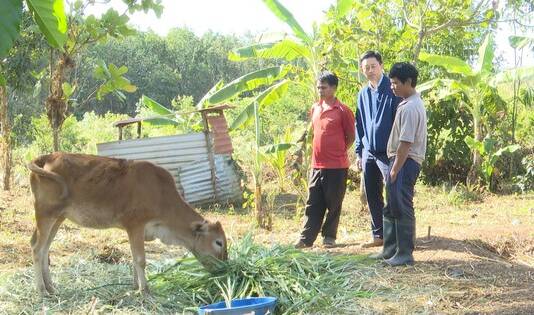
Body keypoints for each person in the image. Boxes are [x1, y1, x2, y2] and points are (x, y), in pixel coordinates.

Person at [371, 62, 427, 266]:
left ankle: (404, 253)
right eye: (391, 82)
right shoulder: (405, 103)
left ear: (408, 82)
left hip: (405, 161)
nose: (392, 86)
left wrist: (394, 169)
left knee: (401, 204)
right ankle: (390, 249)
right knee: (391, 204)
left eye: (395, 83)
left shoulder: (412, 107)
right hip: (399, 160)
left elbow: (406, 142)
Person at [295, 71, 355, 248]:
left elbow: (351, 136)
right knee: (313, 202)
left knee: (334, 202)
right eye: (318, 86)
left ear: (334, 88)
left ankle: (329, 237)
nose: (320, 90)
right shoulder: (315, 108)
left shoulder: (343, 110)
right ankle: (306, 239)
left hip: (337, 165)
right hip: (316, 164)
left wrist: (340, 151)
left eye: (324, 87)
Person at [355, 51, 401, 248]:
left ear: (381, 66)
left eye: (373, 66)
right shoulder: (363, 94)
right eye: (366, 68)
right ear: (362, 70)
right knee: (372, 193)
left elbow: (400, 121)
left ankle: (398, 235)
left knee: (393, 192)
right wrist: (359, 151)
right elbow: (359, 124)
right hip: (368, 152)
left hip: (388, 152)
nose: (370, 70)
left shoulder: (392, 90)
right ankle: (378, 235)